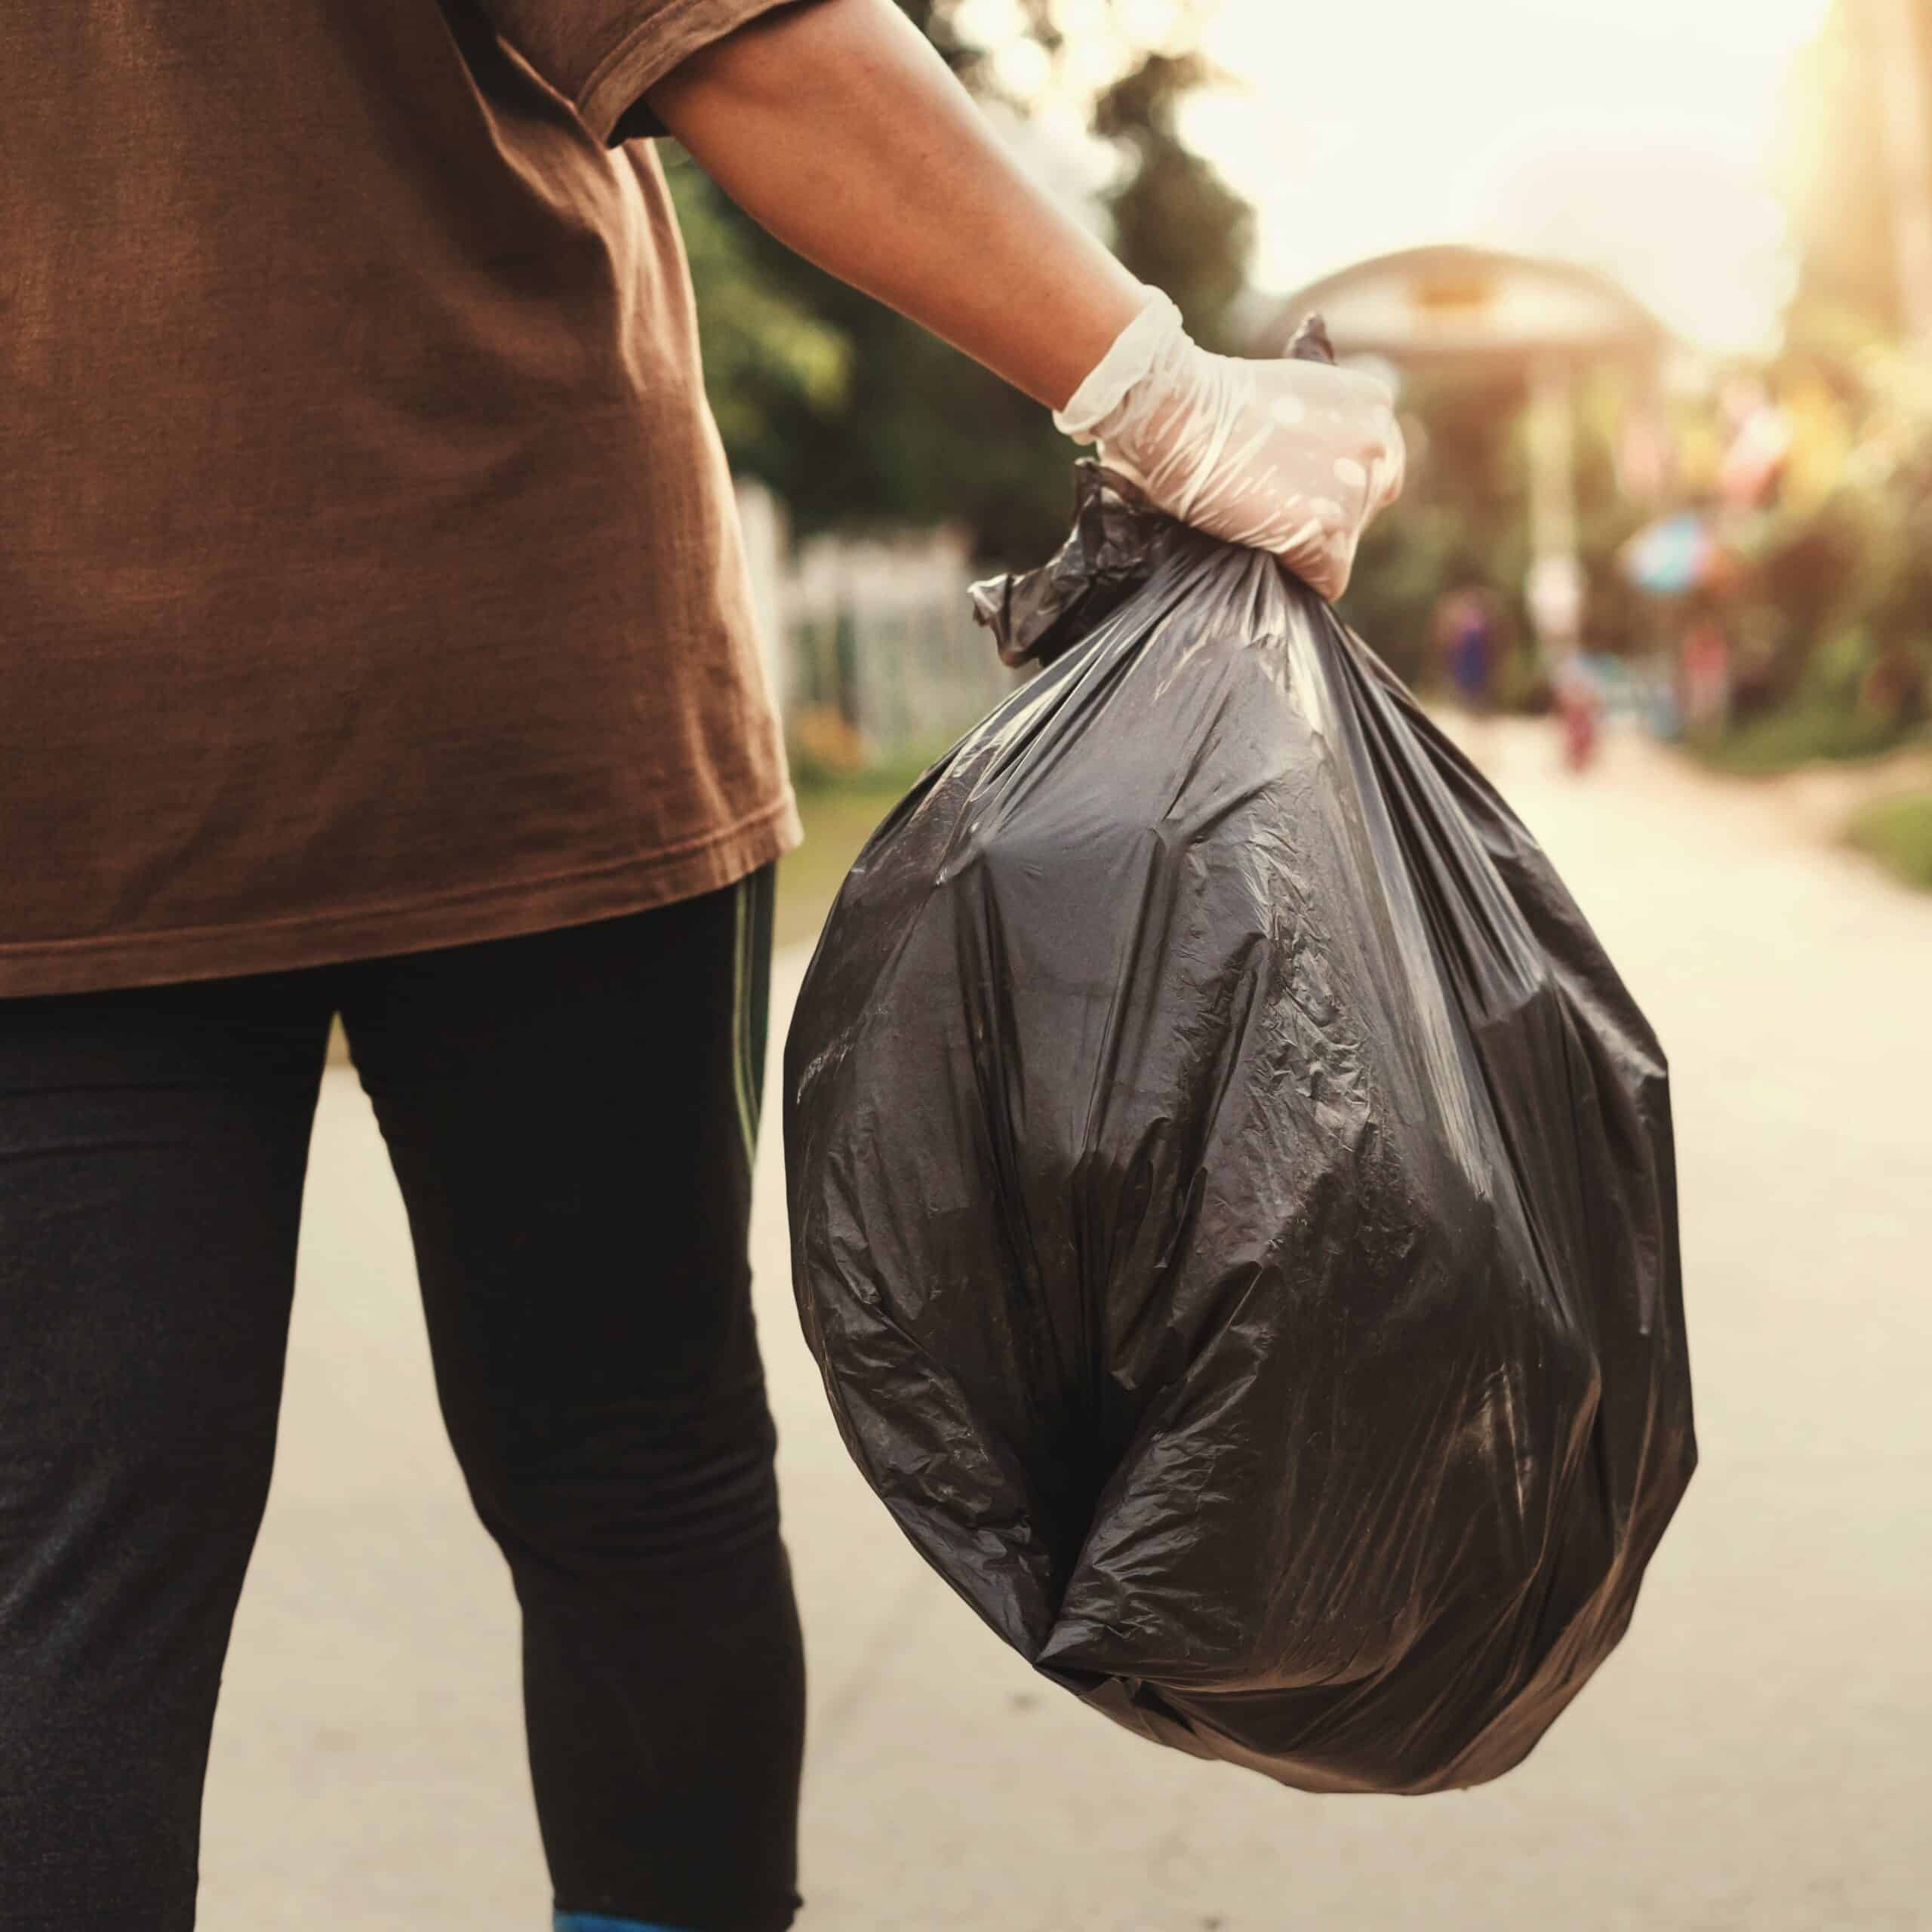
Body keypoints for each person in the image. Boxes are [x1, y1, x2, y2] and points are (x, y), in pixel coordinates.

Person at [0, 4, 1404, 1927]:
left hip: (49, 747)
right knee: (628, 1485)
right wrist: (1167, 395)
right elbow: (742, 41)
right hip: (513, 688)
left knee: (69, 1581)